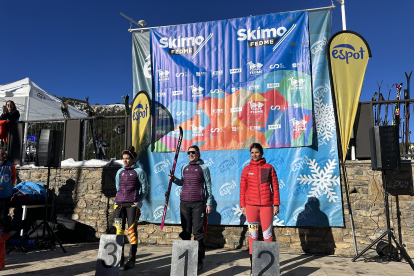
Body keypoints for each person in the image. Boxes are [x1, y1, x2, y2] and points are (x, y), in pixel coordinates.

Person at [169, 145, 212, 270]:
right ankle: (187, 261)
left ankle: (199, 260)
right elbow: (183, 182)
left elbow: (208, 186)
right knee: (186, 232)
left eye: (193, 152)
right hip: (184, 203)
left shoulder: (204, 168)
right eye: (189, 153)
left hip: (199, 203)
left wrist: (208, 203)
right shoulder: (184, 167)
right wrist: (174, 179)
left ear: (198, 154)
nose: (191, 155)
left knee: (197, 233)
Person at [240, 143, 280, 272]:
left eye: (257, 152)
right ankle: (254, 266)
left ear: (262, 153)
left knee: (268, 235)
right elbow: (242, 189)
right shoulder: (246, 169)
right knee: (253, 235)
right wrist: (243, 206)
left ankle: (269, 266)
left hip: (267, 206)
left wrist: (276, 204)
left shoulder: (269, 168)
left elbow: (275, 187)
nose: (254, 155)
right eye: (252, 152)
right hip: (251, 206)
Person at [114, 146, 148, 270]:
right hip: (119, 204)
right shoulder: (119, 172)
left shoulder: (139, 172)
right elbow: (118, 187)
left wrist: (138, 200)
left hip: (132, 205)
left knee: (132, 230)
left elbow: (145, 189)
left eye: (128, 159)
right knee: (119, 231)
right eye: (123, 159)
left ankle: (131, 258)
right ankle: (120, 257)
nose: (125, 161)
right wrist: (118, 201)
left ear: (133, 159)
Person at [0, 148, 16, 231]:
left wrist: (10, 187)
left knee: (3, 215)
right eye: (2, 154)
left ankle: (3, 233)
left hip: (6, 194)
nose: (4, 155)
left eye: (5, 154)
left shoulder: (10, 165)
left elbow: (13, 177)